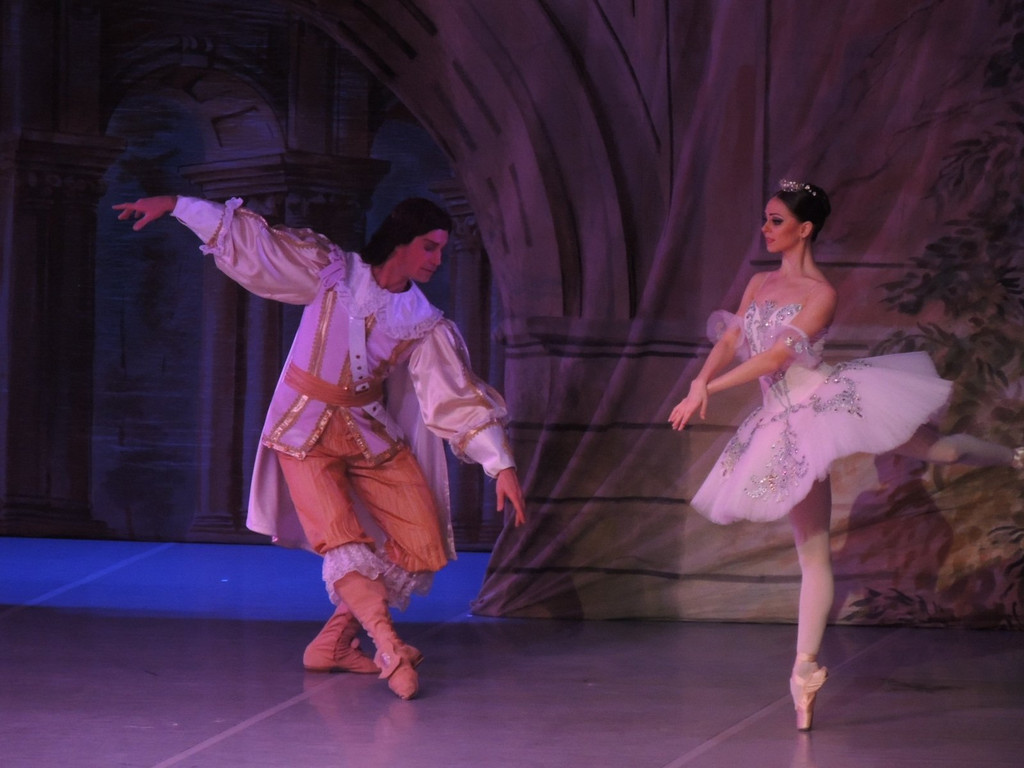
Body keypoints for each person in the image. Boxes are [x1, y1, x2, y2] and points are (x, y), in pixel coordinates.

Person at [114, 194, 526, 700]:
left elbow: (454, 394)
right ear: (400, 241)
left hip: (369, 432)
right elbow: (259, 248)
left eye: (441, 249)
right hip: (302, 430)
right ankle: (389, 647)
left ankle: (331, 645)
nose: (437, 259)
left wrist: (500, 463)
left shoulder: (423, 322)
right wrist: (180, 205)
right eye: (429, 246)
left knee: (422, 539)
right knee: (343, 541)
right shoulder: (332, 271)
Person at [668, 180, 1023, 730]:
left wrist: (707, 391)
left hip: (828, 402)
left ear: (805, 229)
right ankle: (804, 671)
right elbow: (732, 340)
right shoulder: (760, 282)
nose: (765, 229)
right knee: (812, 554)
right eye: (766, 218)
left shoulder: (821, 294)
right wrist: (699, 379)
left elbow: (775, 360)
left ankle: (1016, 456)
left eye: (777, 220)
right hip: (782, 420)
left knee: (939, 448)